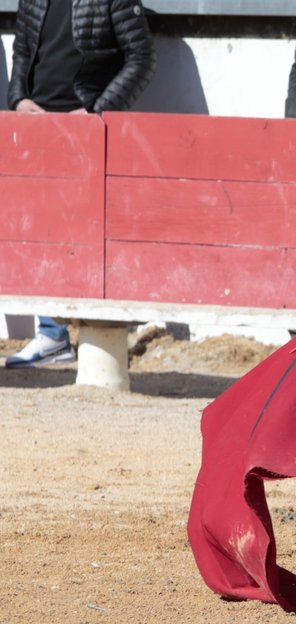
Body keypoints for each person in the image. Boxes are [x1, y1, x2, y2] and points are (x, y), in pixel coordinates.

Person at [7, 0, 155, 368]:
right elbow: (22, 50)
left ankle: (95, 334)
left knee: (89, 232)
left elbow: (141, 58)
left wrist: (96, 111)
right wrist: (19, 99)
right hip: (38, 125)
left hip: (89, 130)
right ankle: (52, 334)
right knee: (41, 229)